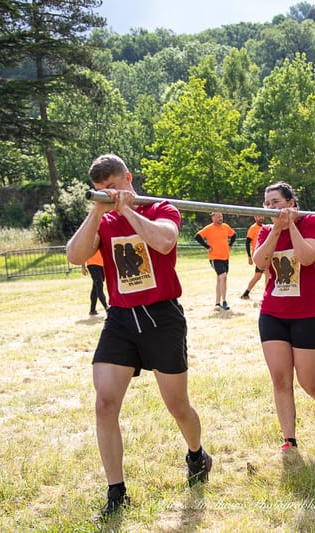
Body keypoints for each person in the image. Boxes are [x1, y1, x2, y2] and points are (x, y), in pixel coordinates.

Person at [66, 154, 211, 520]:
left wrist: (128, 210)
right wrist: (97, 212)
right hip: (121, 319)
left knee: (178, 406)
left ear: (128, 178)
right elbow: (75, 255)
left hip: (163, 317)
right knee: (105, 403)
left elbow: (164, 242)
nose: (108, 194)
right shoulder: (102, 219)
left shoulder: (161, 208)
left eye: (113, 187)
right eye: (101, 190)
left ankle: (197, 454)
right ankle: (117, 492)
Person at [252, 182, 315, 452]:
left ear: (291, 203)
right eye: (267, 203)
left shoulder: (310, 222)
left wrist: (291, 226)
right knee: (280, 380)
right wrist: (276, 230)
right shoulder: (266, 231)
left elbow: (306, 258)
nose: (271, 207)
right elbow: (260, 262)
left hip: (307, 316)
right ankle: (289, 441)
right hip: (272, 315)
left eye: (276, 202)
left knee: (309, 383)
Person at [194, 212, 236, 310]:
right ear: (213, 218)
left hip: (225, 257)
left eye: (221, 216)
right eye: (218, 217)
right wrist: (207, 246)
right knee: (223, 276)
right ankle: (224, 301)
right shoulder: (209, 228)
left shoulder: (225, 226)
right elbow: (197, 237)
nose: (221, 218)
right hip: (215, 257)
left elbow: (234, 235)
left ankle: (217, 303)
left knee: (220, 279)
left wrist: (230, 244)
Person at [241, 215, 265, 300]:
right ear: (255, 217)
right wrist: (249, 256)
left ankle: (246, 293)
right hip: (258, 255)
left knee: (258, 276)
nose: (261, 218)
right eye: (259, 216)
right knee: (268, 274)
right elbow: (247, 243)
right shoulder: (253, 228)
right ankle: (267, 295)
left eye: (262, 216)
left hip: (265, 254)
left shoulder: (265, 227)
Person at [82, 248, 109, 316]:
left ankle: (92, 310)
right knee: (99, 286)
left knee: (96, 287)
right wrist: (83, 266)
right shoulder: (88, 241)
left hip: (102, 264)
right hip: (92, 264)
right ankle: (107, 308)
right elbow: (83, 251)